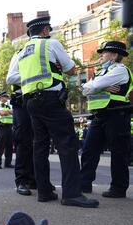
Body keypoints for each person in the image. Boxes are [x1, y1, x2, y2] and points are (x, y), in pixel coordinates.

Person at [6, 16, 99, 208]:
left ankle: (44, 192)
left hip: (30, 101)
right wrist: (55, 67)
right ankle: (72, 194)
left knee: (39, 146)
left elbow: (13, 78)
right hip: (50, 99)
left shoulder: (22, 52)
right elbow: (72, 69)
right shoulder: (50, 44)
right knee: (67, 144)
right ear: (45, 31)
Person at [80, 41, 132, 198]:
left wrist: (97, 86)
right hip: (100, 115)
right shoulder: (100, 73)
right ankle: (84, 184)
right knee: (89, 150)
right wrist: (99, 86)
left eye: (104, 52)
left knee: (118, 153)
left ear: (115, 55)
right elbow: (84, 90)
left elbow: (93, 87)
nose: (100, 55)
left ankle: (118, 188)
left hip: (117, 115)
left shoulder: (120, 70)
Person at [7, 66, 37, 196]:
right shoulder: (20, 54)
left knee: (39, 142)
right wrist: (33, 73)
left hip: (39, 99)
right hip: (22, 101)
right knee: (23, 142)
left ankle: (35, 179)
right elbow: (11, 78)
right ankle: (21, 181)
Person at [0, 91, 14, 170]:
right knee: (1, 145)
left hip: (10, 127)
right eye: (5, 96)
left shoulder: (8, 105)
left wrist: (7, 112)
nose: (7, 98)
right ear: (0, 97)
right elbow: (2, 113)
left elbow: (13, 112)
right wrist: (9, 112)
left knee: (10, 145)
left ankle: (8, 163)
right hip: (1, 126)